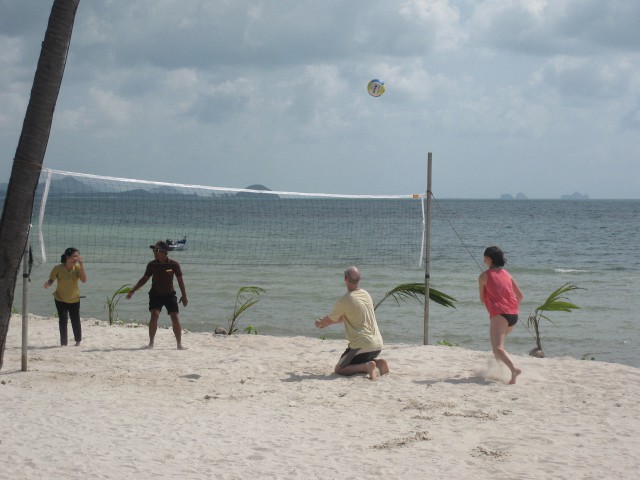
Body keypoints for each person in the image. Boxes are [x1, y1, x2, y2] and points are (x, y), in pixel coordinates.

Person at [315, 266, 389, 380]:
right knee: (358, 359)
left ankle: (367, 366)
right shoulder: (366, 294)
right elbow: (350, 317)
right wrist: (329, 323)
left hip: (362, 345)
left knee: (339, 369)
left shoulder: (345, 300)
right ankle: (378, 363)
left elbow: (328, 319)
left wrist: (319, 323)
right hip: (378, 344)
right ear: (359, 279)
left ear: (345, 279)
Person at [126, 241, 188, 350]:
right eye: (153, 250)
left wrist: (184, 296)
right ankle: (151, 343)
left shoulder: (174, 264)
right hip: (155, 294)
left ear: (164, 252)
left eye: (157, 250)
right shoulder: (152, 264)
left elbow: (180, 281)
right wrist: (133, 290)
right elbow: (144, 279)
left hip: (170, 294)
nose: (154, 252)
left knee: (174, 316)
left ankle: (179, 344)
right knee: (154, 314)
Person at [478, 246, 524, 384]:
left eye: (484, 257)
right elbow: (520, 296)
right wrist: (511, 308)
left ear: (488, 258)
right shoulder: (507, 273)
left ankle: (514, 369)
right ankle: (499, 371)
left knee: (498, 348)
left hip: (499, 314)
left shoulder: (483, 276)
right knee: (497, 347)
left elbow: (481, 299)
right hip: (514, 315)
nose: (483, 260)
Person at [44, 247, 87, 346]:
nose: (77, 258)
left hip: (74, 298)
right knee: (63, 321)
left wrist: (81, 265)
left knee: (75, 320)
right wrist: (48, 284)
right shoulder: (58, 268)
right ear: (68, 257)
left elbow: (84, 280)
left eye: (77, 256)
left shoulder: (77, 267)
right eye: (74, 256)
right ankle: (63, 343)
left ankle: (78, 341)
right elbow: (51, 279)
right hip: (60, 298)